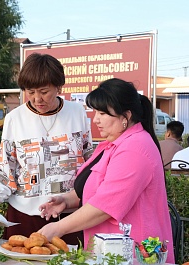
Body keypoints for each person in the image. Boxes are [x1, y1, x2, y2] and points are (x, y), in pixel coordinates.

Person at [37, 78, 174, 263]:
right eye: (95, 112)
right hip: (106, 253)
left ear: (125, 116)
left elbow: (105, 206)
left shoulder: (136, 148)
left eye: (103, 113)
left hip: (133, 254)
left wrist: (58, 228)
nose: (96, 119)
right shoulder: (110, 144)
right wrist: (66, 200)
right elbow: (92, 188)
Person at [0, 53, 94, 245]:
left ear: (58, 86)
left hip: (70, 217)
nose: (37, 99)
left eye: (44, 91)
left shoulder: (76, 112)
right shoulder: (15, 118)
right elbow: (6, 168)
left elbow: (89, 162)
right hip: (24, 217)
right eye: (30, 91)